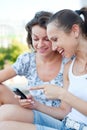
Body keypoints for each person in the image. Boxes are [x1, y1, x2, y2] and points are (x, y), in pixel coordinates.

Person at [0, 7, 87, 130]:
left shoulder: (66, 60)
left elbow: (64, 108)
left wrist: (62, 94)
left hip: (72, 124)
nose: (54, 46)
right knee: (3, 117)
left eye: (52, 40)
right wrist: (35, 105)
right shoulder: (70, 66)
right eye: (36, 39)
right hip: (66, 123)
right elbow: (65, 112)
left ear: (75, 30)